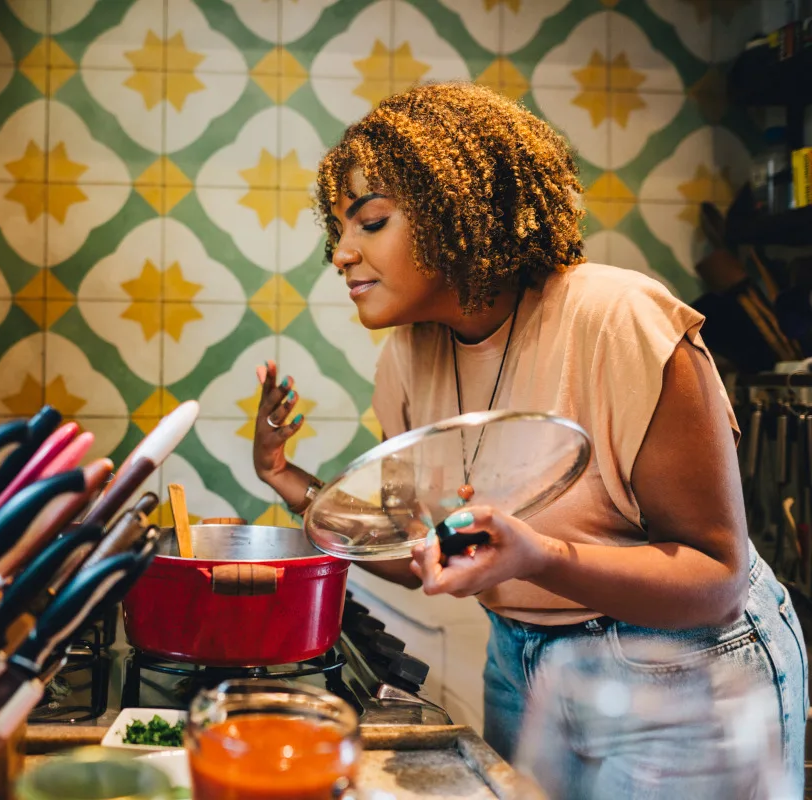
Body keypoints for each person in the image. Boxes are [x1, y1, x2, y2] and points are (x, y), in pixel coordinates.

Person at [251, 82, 807, 791]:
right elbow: (417, 542)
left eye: (372, 222)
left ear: (460, 211)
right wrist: (283, 475)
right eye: (339, 231)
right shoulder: (404, 360)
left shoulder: (619, 319)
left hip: (685, 666)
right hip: (521, 657)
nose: (342, 255)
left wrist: (536, 556)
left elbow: (715, 580)